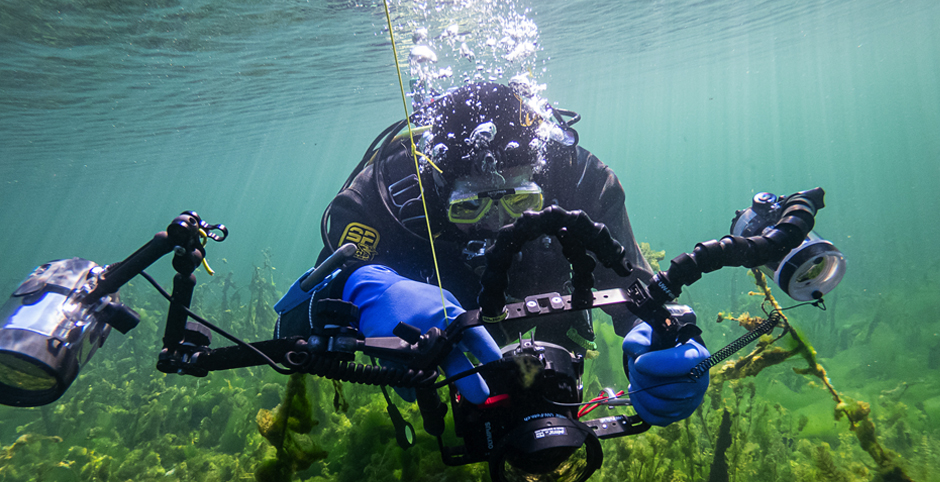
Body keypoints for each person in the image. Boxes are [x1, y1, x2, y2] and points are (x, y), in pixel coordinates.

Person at [274, 81, 709, 426]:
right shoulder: (381, 200)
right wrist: (360, 287)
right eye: (469, 207)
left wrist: (662, 339)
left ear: (542, 177)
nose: (499, 225)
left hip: (550, 341)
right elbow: (287, 329)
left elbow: (635, 289)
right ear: (438, 189)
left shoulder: (581, 184)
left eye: (521, 201)